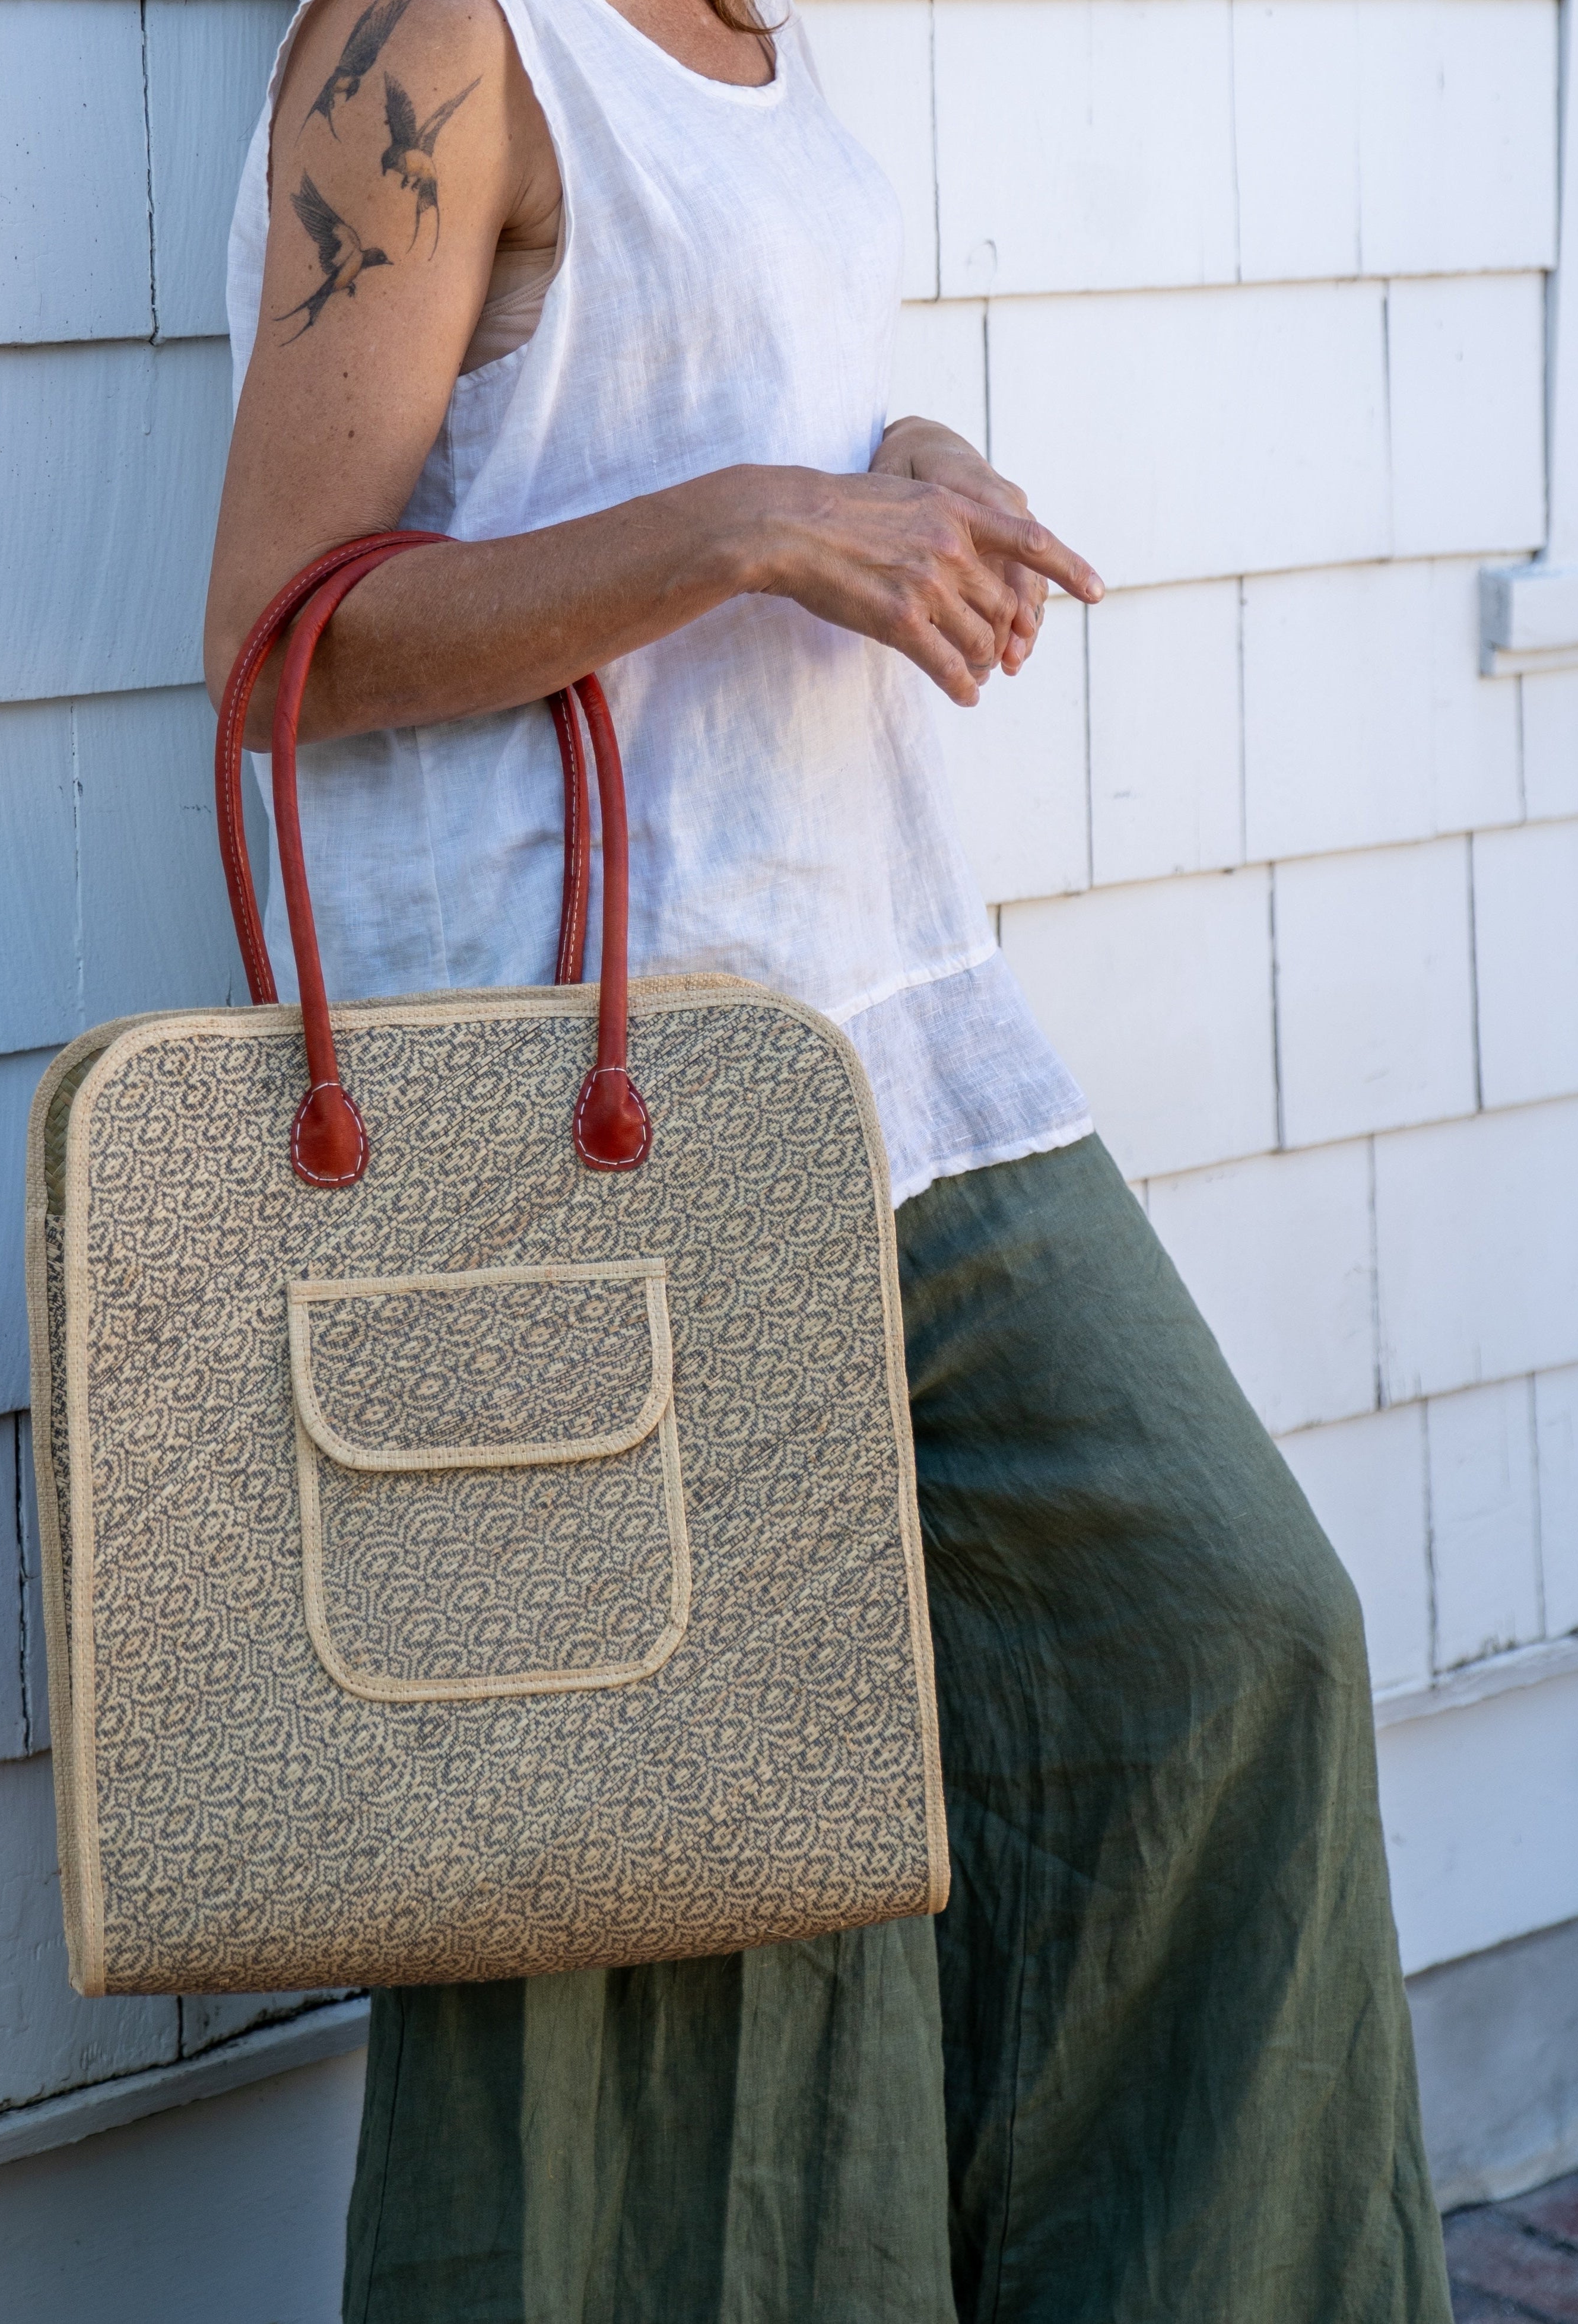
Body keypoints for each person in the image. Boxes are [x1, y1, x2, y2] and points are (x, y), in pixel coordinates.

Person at [204, 0, 1453, 2313]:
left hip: (897, 1029)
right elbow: (287, 636)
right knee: (689, 1918)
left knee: (1221, 1641)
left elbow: (679, 411)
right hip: (609, 1098)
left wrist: (884, 458)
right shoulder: (440, 40)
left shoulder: (749, 40)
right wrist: (759, 524)